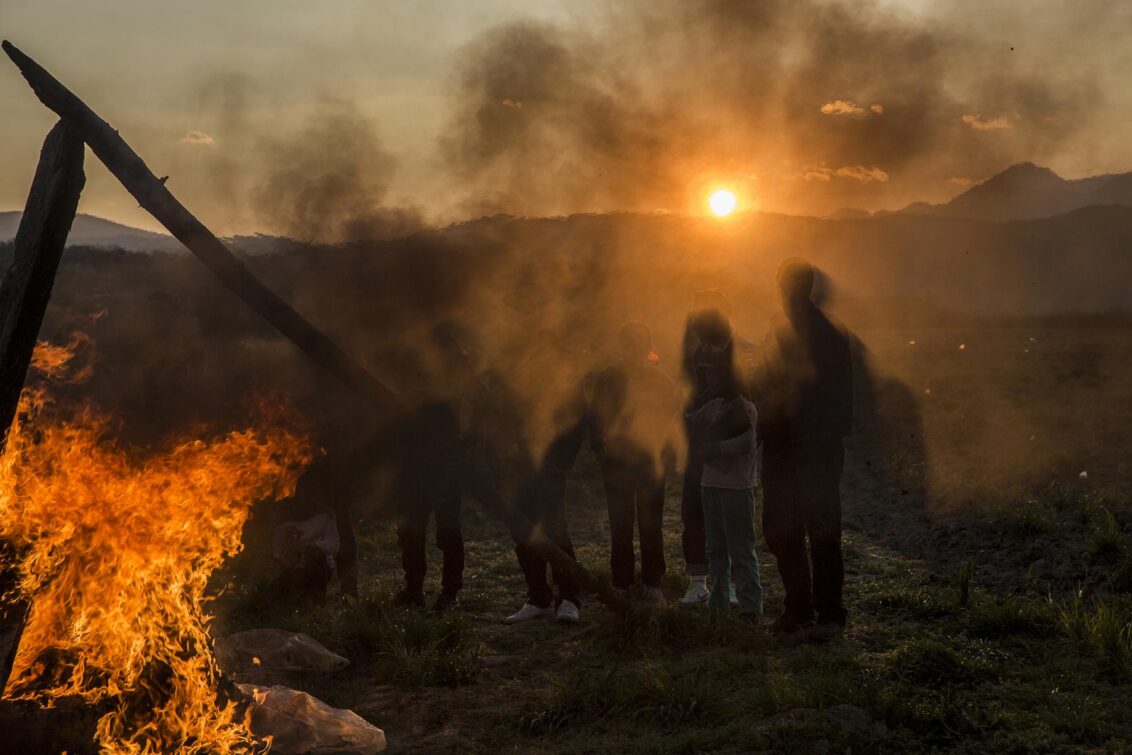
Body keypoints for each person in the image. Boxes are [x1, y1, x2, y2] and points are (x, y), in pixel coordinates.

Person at [754, 258, 853, 641]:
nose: (779, 294)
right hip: (819, 449)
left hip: (795, 448)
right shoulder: (832, 333)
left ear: (789, 289)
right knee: (815, 530)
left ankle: (807, 610)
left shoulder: (787, 334)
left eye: (780, 285)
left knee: (794, 530)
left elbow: (770, 386)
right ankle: (819, 612)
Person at [497, 341, 587, 624]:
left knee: (555, 532)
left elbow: (576, 428)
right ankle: (538, 598)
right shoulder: (515, 382)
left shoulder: (568, 385)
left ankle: (569, 599)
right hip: (516, 472)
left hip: (550, 471)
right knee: (522, 533)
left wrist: (560, 464)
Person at [590, 322, 680, 604]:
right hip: (628, 461)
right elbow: (595, 418)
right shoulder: (648, 379)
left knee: (637, 523)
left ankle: (638, 583)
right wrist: (601, 451)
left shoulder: (651, 380)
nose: (632, 350)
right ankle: (637, 583)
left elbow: (668, 419)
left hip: (642, 460)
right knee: (631, 523)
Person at [684, 311, 763, 619]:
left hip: (735, 485)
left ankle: (750, 608)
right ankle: (718, 603)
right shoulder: (715, 406)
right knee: (717, 548)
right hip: (713, 483)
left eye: (717, 376)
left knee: (741, 549)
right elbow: (689, 423)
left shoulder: (744, 409)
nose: (710, 380)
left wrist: (709, 447)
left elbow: (744, 443)